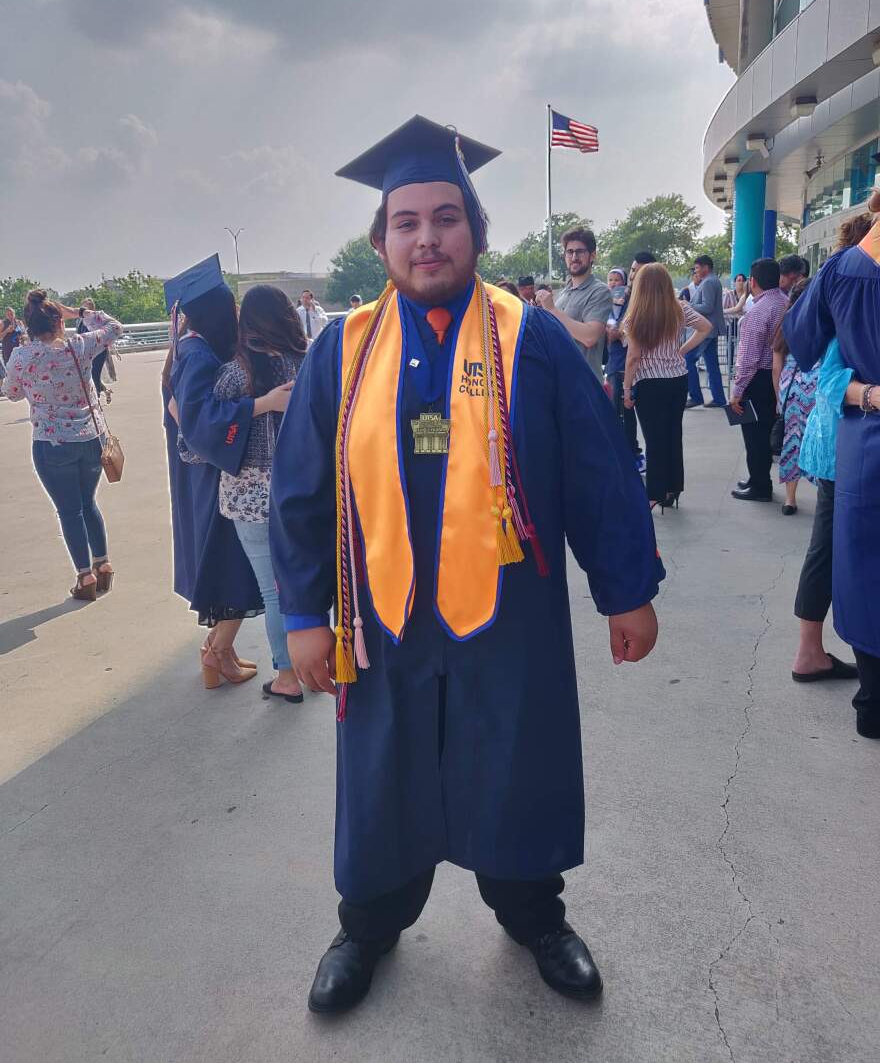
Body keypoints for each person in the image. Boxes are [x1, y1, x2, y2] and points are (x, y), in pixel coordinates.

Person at [270, 115, 662, 1014]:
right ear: (381, 241)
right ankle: (366, 924)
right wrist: (301, 615)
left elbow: (600, 470)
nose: (427, 237)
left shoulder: (534, 339)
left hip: (509, 618)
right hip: (383, 618)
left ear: (477, 234)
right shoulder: (342, 346)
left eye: (445, 218)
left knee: (517, 761)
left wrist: (626, 591)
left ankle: (535, 914)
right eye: (405, 221)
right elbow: (300, 491)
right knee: (381, 777)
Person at [162, 256, 292, 689]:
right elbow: (200, 426)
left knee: (240, 566)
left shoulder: (194, 347)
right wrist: (264, 403)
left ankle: (221, 652)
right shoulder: (199, 354)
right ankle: (215, 654)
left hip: (224, 466)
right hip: (214, 466)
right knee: (232, 566)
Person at [785, 190, 880, 739]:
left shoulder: (844, 270)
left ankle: (873, 698)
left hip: (865, 444)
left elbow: (801, 340)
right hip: (859, 436)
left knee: (861, 562)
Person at [214, 285, 308, 702]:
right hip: (304, 488)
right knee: (307, 584)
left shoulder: (237, 371)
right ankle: (313, 663)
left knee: (273, 592)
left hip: (249, 496)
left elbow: (201, 442)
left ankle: (288, 676)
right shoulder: (307, 364)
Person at [2, 291, 121, 599]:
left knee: (69, 511)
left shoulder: (23, 356)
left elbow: (12, 392)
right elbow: (115, 327)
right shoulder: (79, 345)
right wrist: (80, 312)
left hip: (52, 442)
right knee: (87, 503)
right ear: (58, 321)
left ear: (29, 324)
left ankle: (84, 577)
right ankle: (103, 564)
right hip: (91, 440)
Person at [622, 263, 711, 509]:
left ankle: (654, 493)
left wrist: (627, 389)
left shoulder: (636, 316)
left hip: (649, 382)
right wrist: (681, 350)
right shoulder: (679, 308)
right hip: (677, 378)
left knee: (654, 438)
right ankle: (673, 488)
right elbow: (705, 327)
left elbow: (633, 357)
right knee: (673, 435)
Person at [729, 258, 790, 503]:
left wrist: (737, 390)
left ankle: (760, 485)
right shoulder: (785, 302)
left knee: (754, 435)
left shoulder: (758, 311)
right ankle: (757, 478)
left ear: (752, 282)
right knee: (764, 431)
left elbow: (749, 357)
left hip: (757, 378)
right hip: (776, 375)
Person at [535, 227, 612, 385]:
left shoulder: (599, 291)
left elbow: (590, 337)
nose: (574, 257)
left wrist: (552, 310)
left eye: (579, 252)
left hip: (584, 385)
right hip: (557, 383)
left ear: (592, 255)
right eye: (569, 252)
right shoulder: (561, 294)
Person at [772, 279, 818, 516]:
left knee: (792, 442)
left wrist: (779, 396)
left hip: (791, 388)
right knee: (821, 441)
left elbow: (776, 362)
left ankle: (790, 499)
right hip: (818, 387)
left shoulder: (787, 322)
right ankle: (824, 495)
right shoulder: (826, 321)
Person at [605, 266, 644, 472]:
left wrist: (619, 331)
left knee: (627, 409)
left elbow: (629, 334)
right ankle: (619, 450)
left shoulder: (631, 305)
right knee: (613, 408)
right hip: (613, 363)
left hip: (626, 365)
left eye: (616, 280)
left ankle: (632, 450)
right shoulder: (607, 305)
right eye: (610, 280)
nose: (613, 284)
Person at [684, 255, 727, 409]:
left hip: (706, 330)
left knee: (687, 360)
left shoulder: (708, 282)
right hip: (711, 329)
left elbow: (707, 307)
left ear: (705, 267)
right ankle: (719, 398)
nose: (695, 271)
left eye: (696, 268)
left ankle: (695, 396)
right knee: (712, 364)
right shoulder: (712, 281)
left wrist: (688, 306)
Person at [76, 298, 112, 404]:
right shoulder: (81, 321)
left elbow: (106, 332)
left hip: (99, 351)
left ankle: (96, 399)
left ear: (92, 308)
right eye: (82, 307)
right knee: (88, 375)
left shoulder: (97, 319)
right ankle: (105, 391)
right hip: (86, 351)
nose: (84, 310)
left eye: (86, 307)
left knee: (94, 374)